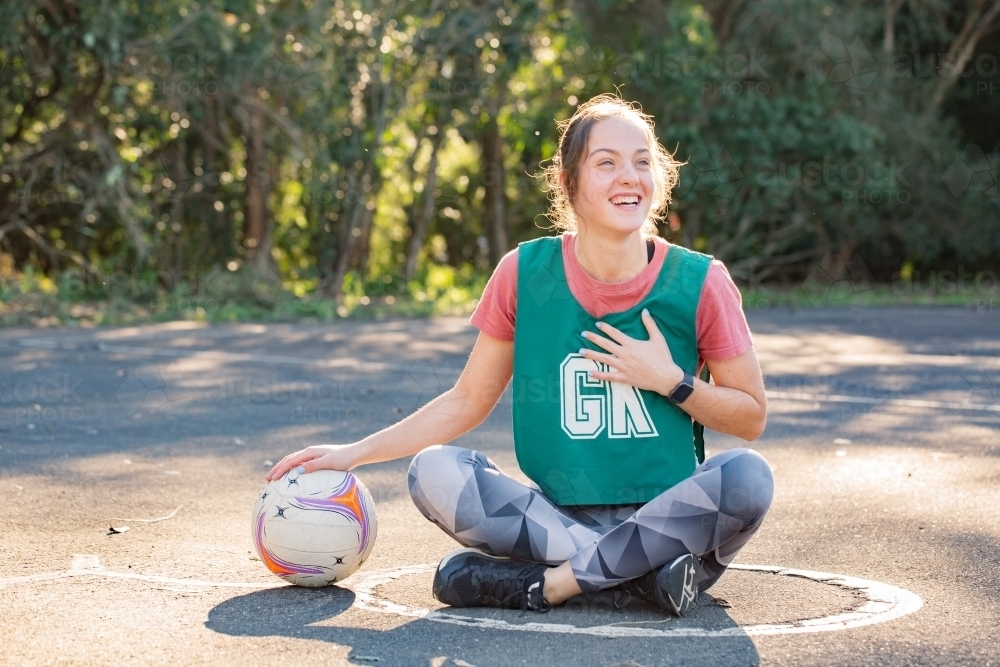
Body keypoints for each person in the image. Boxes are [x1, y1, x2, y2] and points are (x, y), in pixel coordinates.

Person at [266, 94, 773, 616]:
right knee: (433, 471)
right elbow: (467, 401)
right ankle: (636, 583)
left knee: (749, 477)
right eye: (607, 163)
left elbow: (751, 417)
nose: (631, 177)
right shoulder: (525, 274)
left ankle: (552, 586)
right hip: (559, 525)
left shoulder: (700, 282)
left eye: (643, 162)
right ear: (566, 182)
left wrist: (671, 380)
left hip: (673, 527)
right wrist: (352, 453)